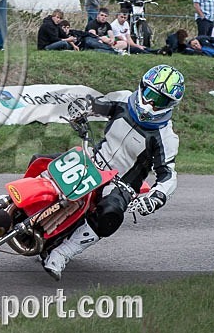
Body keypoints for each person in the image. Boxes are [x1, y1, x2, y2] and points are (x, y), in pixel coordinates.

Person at [42, 65, 185, 280]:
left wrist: (156, 197)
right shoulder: (124, 100)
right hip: (93, 159)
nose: (150, 103)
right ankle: (11, 203)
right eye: (149, 93)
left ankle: (62, 254)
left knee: (111, 213)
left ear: (171, 105)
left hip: (121, 183)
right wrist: (83, 108)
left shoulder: (166, 137)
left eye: (160, 100)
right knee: (43, 160)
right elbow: (97, 104)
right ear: (142, 86)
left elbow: (168, 175)